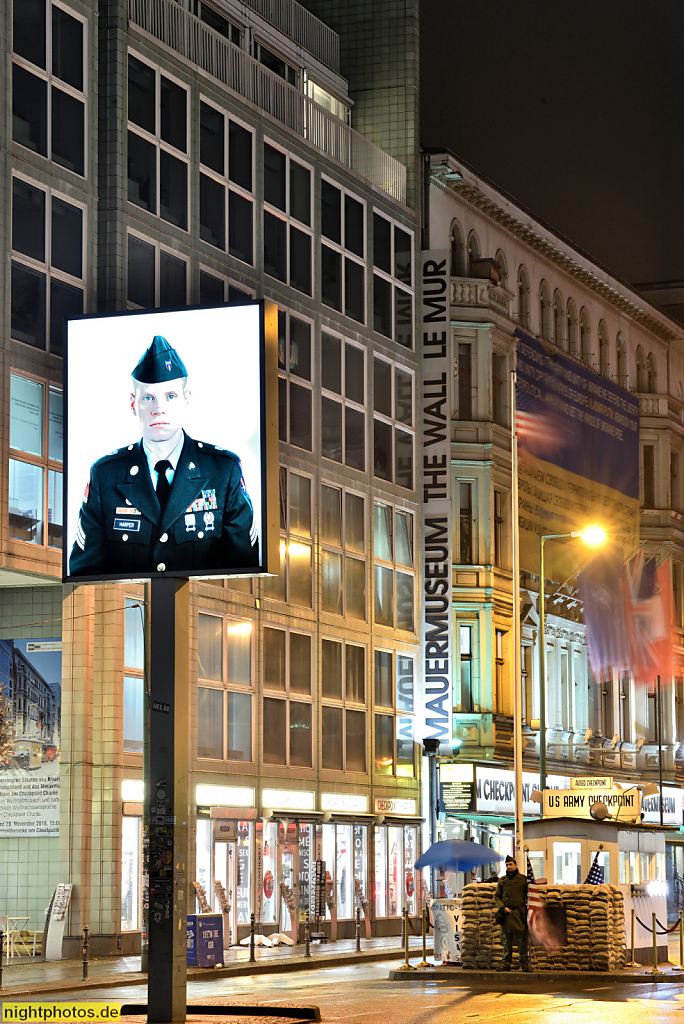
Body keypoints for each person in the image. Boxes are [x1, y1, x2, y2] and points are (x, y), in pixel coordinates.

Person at [69, 335, 259, 578]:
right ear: (133, 403)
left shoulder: (223, 472)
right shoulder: (106, 475)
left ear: (186, 397)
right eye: (148, 398)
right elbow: (85, 572)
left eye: (170, 396)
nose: (159, 408)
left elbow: (243, 568)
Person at [494, 855, 530, 971]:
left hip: (518, 913)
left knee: (521, 939)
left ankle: (524, 962)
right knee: (506, 939)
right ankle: (505, 963)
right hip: (506, 913)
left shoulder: (523, 880)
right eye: (507, 865)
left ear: (515, 865)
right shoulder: (502, 880)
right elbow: (497, 896)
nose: (508, 867)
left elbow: (529, 895)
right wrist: (502, 907)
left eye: (510, 864)